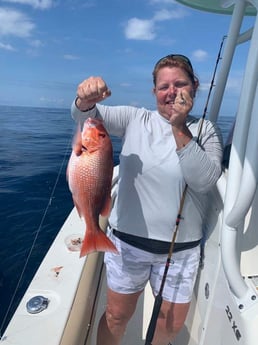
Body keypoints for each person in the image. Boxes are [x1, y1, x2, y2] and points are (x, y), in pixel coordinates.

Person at [71, 54, 223, 345]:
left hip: (180, 252)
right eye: (163, 86)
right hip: (129, 246)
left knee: (170, 324)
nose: (172, 92)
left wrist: (179, 127)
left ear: (195, 86)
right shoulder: (134, 118)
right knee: (116, 316)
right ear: (153, 91)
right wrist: (84, 100)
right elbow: (84, 118)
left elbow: (203, 181)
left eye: (180, 84)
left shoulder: (207, 131)